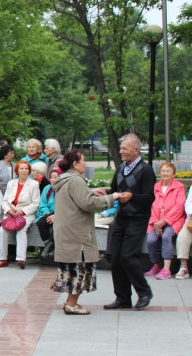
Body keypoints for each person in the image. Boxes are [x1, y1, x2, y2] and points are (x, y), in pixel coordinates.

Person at [51, 151, 120, 315]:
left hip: (67, 231)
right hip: (76, 233)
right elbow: (87, 203)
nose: (86, 164)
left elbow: (79, 198)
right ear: (75, 164)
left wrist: (91, 191)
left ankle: (70, 302)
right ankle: (72, 305)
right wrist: (112, 197)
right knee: (78, 268)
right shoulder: (75, 180)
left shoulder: (65, 179)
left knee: (71, 268)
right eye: (83, 161)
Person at [97, 134, 156, 310]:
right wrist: (105, 192)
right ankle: (122, 298)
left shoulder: (146, 170)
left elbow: (149, 197)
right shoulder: (121, 167)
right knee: (115, 258)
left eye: (124, 148)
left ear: (136, 150)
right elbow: (116, 189)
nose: (121, 151)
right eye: (121, 148)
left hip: (138, 219)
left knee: (128, 256)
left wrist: (132, 197)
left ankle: (145, 292)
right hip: (121, 218)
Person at [145, 162, 186, 280]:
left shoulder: (179, 187)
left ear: (173, 174)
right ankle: (156, 265)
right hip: (155, 221)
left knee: (166, 236)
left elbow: (179, 207)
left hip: (173, 221)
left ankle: (167, 269)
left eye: (168, 171)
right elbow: (151, 206)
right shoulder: (155, 187)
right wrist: (156, 224)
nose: (165, 173)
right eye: (163, 171)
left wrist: (165, 221)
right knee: (151, 240)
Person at [0, 160, 40, 269]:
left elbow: (35, 203)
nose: (24, 171)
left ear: (29, 171)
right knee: (2, 230)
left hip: (26, 213)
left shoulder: (34, 184)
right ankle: (3, 258)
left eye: (26, 169)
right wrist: (8, 211)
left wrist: (22, 211)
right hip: (11, 212)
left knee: (22, 230)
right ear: (17, 171)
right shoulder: (11, 183)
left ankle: (21, 259)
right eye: (21, 168)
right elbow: (4, 201)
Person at [36, 168, 61, 258]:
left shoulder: (63, 189)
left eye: (56, 177)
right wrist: (48, 214)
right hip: (48, 213)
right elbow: (43, 203)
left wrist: (56, 215)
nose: (53, 180)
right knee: (41, 223)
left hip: (61, 214)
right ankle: (49, 246)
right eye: (52, 177)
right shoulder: (47, 188)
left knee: (57, 225)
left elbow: (64, 206)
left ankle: (48, 247)